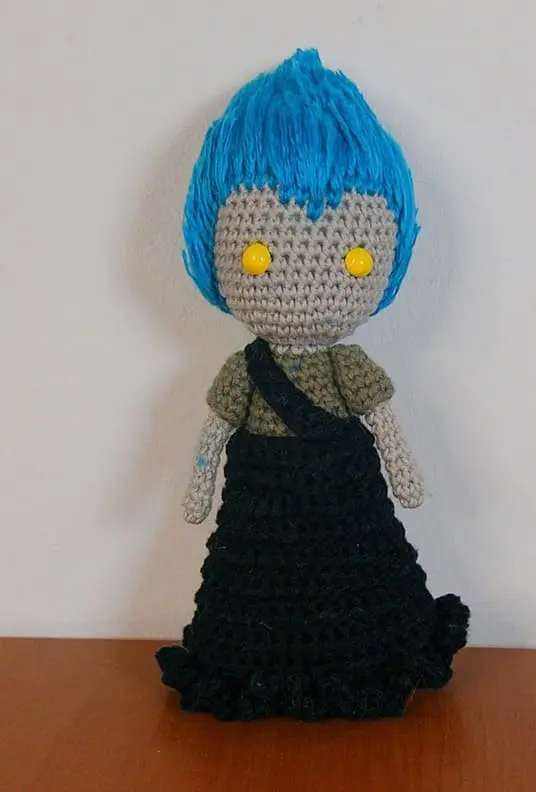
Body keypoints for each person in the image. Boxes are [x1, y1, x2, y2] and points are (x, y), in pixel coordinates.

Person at [156, 49, 469, 721]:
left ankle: (368, 657)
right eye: (259, 255)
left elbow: (383, 420)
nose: (307, 278)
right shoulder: (244, 372)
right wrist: (199, 486)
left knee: (359, 576)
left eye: (353, 258)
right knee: (256, 588)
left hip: (342, 493)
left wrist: (403, 472)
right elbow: (213, 435)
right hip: (262, 500)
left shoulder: (347, 368)